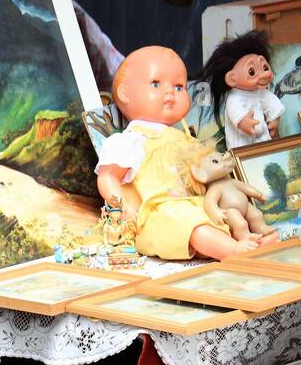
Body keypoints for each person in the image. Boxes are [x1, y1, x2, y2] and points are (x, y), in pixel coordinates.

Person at [96, 46, 259, 260]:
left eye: (179, 87)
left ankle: (252, 236)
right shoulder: (130, 140)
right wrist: (123, 208)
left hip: (193, 203)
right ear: (126, 93)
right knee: (192, 225)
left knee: (228, 210)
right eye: (156, 84)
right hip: (158, 213)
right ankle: (233, 251)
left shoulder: (183, 137)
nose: (170, 93)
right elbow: (108, 176)